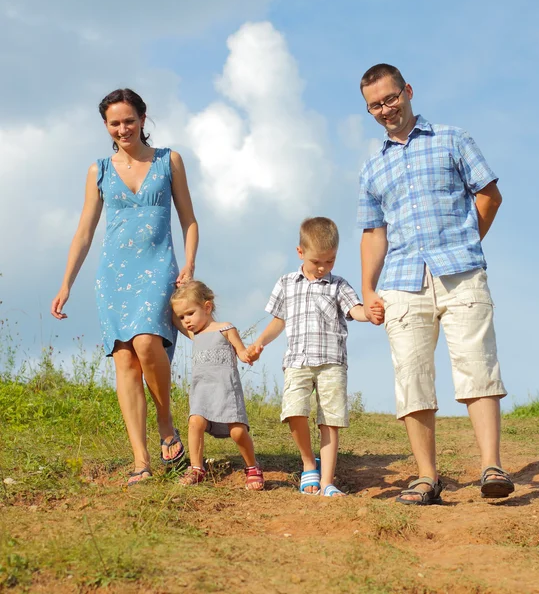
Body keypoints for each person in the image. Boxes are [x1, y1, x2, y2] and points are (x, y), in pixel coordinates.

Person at [357, 63, 514, 505]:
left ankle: (491, 466)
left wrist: (465, 242)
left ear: (407, 91)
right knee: (411, 376)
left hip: (460, 272)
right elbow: (373, 233)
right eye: (375, 106)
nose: (385, 109)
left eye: (390, 98)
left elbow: (489, 195)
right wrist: (369, 290)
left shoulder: (453, 138)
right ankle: (427, 477)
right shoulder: (372, 167)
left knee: (477, 365)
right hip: (402, 283)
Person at [51, 88, 199, 486]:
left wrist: (189, 261)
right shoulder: (98, 169)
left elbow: (189, 219)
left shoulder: (169, 161)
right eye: (114, 123)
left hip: (158, 268)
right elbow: (84, 232)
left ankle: (165, 421)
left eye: (129, 121)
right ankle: (141, 460)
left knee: (148, 343)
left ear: (143, 119)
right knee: (125, 361)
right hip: (113, 274)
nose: (123, 129)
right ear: (106, 126)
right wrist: (67, 283)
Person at [247, 217, 383, 497]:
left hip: (331, 362)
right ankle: (309, 463)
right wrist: (260, 342)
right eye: (316, 262)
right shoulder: (286, 283)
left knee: (330, 420)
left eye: (330, 262)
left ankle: (327, 482)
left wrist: (368, 314)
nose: (323, 268)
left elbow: (354, 310)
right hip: (297, 361)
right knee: (294, 412)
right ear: (300, 253)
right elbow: (278, 320)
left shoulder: (339, 285)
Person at [170, 281, 264, 490]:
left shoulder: (225, 329)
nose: (185, 321)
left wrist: (251, 354)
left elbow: (241, 352)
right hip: (201, 391)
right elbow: (171, 317)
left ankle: (252, 467)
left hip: (225, 390)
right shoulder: (195, 334)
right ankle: (196, 468)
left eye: (190, 313)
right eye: (182, 317)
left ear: (207, 307)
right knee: (195, 423)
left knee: (238, 432)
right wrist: (173, 286)